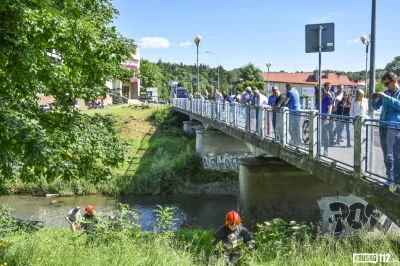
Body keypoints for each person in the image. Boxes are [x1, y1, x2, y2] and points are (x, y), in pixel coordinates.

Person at [371, 71, 400, 187]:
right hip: (383, 127)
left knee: (397, 155)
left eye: (387, 83)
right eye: (385, 84)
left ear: (395, 81)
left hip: (395, 128)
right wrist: (373, 100)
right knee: (387, 155)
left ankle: (397, 180)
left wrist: (387, 98)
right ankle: (390, 178)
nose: (386, 86)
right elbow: (375, 107)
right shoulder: (385, 92)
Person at [321, 83, 334, 156]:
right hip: (320, 117)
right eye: (327, 87)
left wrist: (327, 119)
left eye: (330, 87)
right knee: (321, 134)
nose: (328, 89)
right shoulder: (321, 95)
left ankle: (326, 151)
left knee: (325, 135)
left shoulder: (328, 97)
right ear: (324, 87)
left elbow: (330, 108)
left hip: (325, 118)